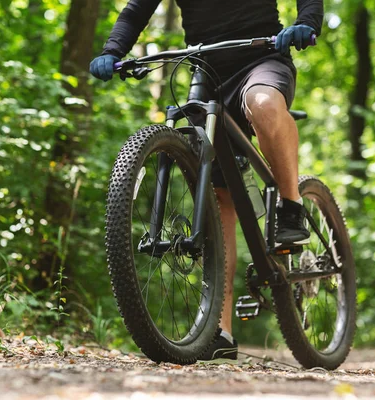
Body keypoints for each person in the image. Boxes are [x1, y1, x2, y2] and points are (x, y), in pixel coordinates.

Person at [90, 0, 323, 362]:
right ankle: (220, 331)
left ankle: (290, 204)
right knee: (218, 196)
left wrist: (306, 22)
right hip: (205, 69)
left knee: (262, 103)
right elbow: (137, 9)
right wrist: (113, 50)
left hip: (262, 55)